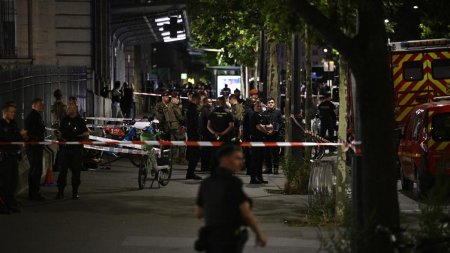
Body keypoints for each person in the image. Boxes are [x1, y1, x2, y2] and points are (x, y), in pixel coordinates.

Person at [196, 144, 267, 253]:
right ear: (224, 159)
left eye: (242, 159)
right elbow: (246, 213)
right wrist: (258, 234)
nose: (242, 162)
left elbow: (199, 213)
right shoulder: (233, 183)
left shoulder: (206, 182)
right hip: (229, 239)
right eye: (237, 158)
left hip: (210, 238)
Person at [54, 104, 89, 200]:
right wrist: (58, 134)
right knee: (62, 172)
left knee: (76, 172)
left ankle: (75, 192)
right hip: (65, 149)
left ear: (75, 110)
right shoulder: (64, 120)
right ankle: (60, 192)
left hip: (76, 150)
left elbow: (86, 132)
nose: (68, 109)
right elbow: (61, 132)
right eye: (68, 108)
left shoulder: (80, 121)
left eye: (70, 108)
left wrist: (83, 135)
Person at [0, 103, 27, 214]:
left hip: (13, 156)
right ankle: (2, 204)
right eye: (11, 112)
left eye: (14, 112)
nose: (13, 114)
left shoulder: (13, 124)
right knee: (4, 182)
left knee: (13, 180)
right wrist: (20, 135)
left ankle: (10, 202)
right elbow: (7, 138)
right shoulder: (1, 125)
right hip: (4, 157)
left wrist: (23, 137)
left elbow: (16, 138)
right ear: (5, 112)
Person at [25, 98, 46, 201]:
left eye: (42, 104)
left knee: (36, 169)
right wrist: (35, 140)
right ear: (33, 105)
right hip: (34, 147)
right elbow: (31, 132)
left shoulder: (36, 116)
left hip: (36, 146)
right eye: (40, 104)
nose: (42, 106)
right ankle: (33, 194)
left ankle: (33, 193)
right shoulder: (33, 117)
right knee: (36, 170)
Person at [249, 101, 272, 184]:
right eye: (257, 106)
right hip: (256, 140)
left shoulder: (262, 116)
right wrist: (266, 130)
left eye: (260, 106)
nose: (259, 107)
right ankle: (253, 178)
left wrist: (265, 127)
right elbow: (259, 127)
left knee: (261, 160)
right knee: (255, 160)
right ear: (254, 107)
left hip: (262, 140)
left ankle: (259, 177)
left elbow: (270, 125)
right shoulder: (254, 116)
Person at [262, 98, 283, 175]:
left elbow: (280, 124)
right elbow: (262, 124)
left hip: (275, 136)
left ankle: (276, 169)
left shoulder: (278, 113)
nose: (271, 104)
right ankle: (268, 168)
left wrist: (274, 131)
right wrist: (266, 131)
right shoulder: (264, 113)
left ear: (274, 104)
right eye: (269, 102)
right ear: (267, 104)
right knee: (267, 153)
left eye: (272, 102)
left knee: (275, 153)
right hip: (266, 136)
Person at [185, 93, 202, 180]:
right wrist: (198, 133)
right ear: (196, 99)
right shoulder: (193, 109)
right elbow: (195, 124)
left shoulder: (190, 108)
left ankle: (190, 172)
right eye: (199, 100)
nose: (200, 101)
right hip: (194, 135)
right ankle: (190, 173)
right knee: (195, 154)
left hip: (191, 134)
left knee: (194, 154)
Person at [200, 97, 213, 172]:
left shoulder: (207, 110)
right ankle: (205, 167)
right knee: (206, 151)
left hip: (207, 132)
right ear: (205, 102)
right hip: (206, 133)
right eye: (208, 102)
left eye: (211, 102)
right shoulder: (204, 110)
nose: (210, 103)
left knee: (207, 150)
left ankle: (206, 167)